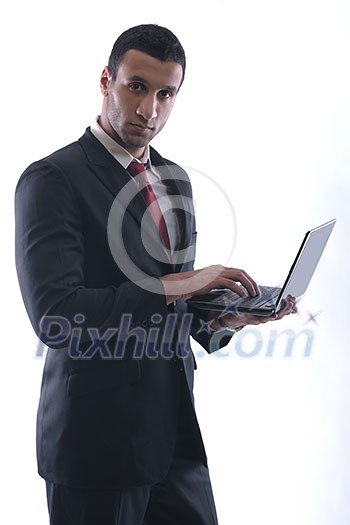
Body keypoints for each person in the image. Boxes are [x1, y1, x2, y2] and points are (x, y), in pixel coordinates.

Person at [15, 24, 296, 525]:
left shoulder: (176, 180)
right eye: (136, 87)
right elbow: (57, 315)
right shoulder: (51, 180)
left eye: (167, 94)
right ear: (106, 80)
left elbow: (173, 309)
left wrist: (225, 321)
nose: (150, 110)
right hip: (94, 448)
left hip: (174, 438)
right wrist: (185, 283)